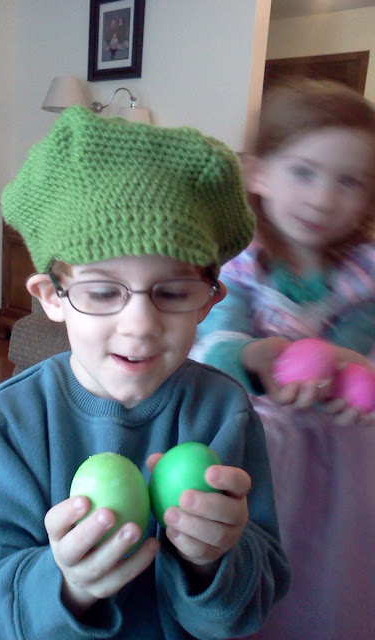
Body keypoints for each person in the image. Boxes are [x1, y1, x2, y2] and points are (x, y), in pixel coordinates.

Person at [0, 106, 290, 640]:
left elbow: (255, 597)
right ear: (52, 297)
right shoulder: (5, 423)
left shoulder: (223, 412)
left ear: (209, 301)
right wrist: (67, 586)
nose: (139, 325)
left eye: (172, 292)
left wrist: (214, 561)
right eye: (101, 291)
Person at [190, 78, 375, 639]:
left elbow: (362, 346)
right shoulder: (243, 266)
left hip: (338, 451)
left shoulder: (362, 273)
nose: (323, 198)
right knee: (264, 545)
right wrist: (254, 354)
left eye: (349, 181)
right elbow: (214, 346)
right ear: (258, 174)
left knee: (327, 559)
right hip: (260, 447)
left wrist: (348, 365)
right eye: (304, 172)